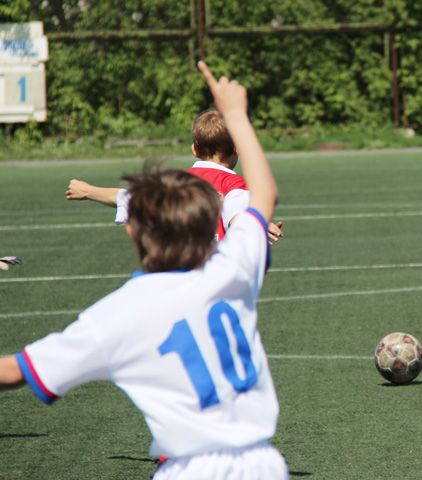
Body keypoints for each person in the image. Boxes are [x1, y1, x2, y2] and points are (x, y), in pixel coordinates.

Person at [0, 62, 289, 479]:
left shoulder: (121, 311)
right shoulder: (231, 273)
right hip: (263, 465)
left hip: (187, 469)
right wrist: (237, 115)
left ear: (132, 229)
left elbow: (14, 371)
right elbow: (264, 193)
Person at [65, 109, 284, 243]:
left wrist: (88, 191)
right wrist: (258, 225)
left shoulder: (177, 183)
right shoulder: (235, 185)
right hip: (217, 279)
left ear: (194, 150)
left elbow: (131, 197)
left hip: (179, 274)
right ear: (237, 148)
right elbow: (239, 219)